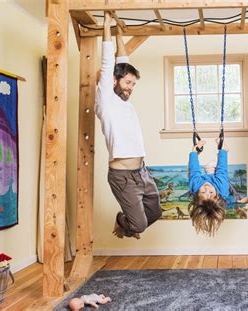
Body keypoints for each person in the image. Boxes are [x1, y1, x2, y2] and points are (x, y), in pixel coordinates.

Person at [96, 12, 161, 240]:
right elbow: (108, 61)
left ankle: (130, 222)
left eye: (133, 84)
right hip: (122, 175)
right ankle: (123, 221)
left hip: (141, 172)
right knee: (139, 225)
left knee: (155, 212)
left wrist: (119, 30)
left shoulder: (123, 100)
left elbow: (123, 58)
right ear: (114, 80)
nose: (130, 87)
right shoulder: (106, 100)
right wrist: (106, 25)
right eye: (127, 82)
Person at [188, 138, 229, 236]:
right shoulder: (222, 188)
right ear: (217, 195)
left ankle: (211, 166)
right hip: (217, 178)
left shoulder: (195, 186)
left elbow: (194, 168)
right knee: (214, 163)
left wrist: (195, 151)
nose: (207, 188)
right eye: (211, 192)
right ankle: (225, 150)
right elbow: (222, 168)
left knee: (192, 171)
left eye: (203, 192)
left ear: (197, 193)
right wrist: (222, 150)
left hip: (207, 176)